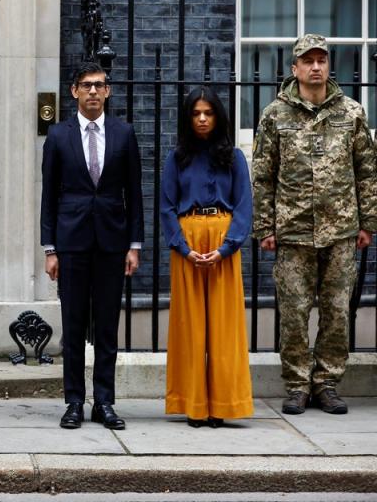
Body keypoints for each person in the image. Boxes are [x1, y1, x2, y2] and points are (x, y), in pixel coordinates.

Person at [252, 33, 377, 416]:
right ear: (295, 68)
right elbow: (262, 174)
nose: (316, 66)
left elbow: (367, 171)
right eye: (308, 60)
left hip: (341, 231)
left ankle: (326, 383)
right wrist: (264, 226)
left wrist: (368, 221)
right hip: (292, 233)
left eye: (322, 59)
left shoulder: (351, 112)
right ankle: (296, 385)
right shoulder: (275, 114)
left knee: (337, 312)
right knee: (293, 314)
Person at [39, 62, 143, 431]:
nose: (94, 92)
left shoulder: (124, 133)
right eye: (87, 86)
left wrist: (134, 245)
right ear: (74, 92)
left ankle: (104, 401)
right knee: (74, 325)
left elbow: (134, 193)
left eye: (99, 85)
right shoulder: (58, 136)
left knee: (106, 329)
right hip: (71, 243)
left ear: (108, 91)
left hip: (112, 243)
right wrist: (50, 249)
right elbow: (48, 196)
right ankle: (73, 401)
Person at [160, 87, 254, 428]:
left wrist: (227, 247)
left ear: (218, 117)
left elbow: (244, 206)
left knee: (224, 326)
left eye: (208, 113)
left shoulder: (235, 158)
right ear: (188, 118)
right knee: (190, 326)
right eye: (196, 113)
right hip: (188, 243)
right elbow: (167, 207)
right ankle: (194, 404)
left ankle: (223, 404)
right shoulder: (177, 158)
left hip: (222, 241)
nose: (202, 118)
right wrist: (184, 249)